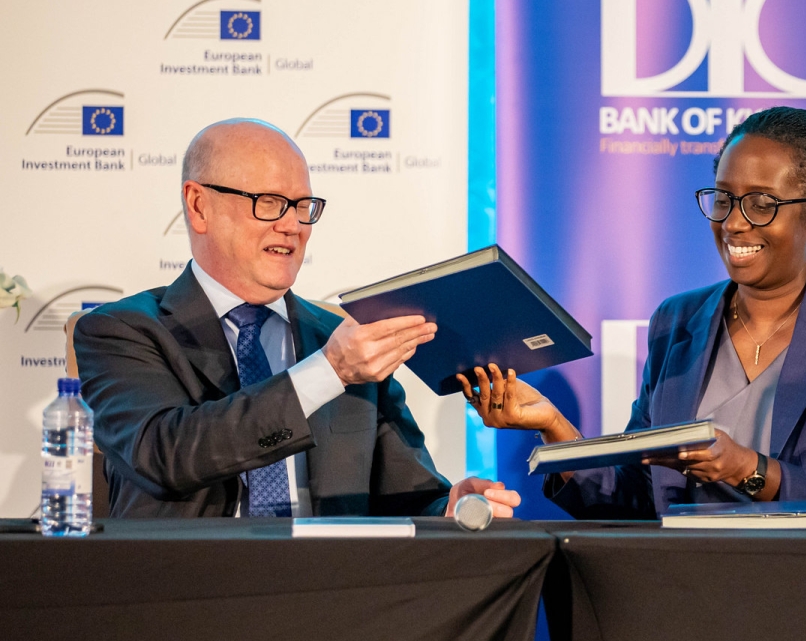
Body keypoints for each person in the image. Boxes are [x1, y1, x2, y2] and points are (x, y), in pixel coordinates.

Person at [459, 106, 806, 522]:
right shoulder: (680, 319)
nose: (733, 222)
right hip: (680, 578)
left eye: (762, 204)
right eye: (724, 199)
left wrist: (749, 470)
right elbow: (639, 496)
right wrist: (554, 427)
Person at [75, 118, 520, 518]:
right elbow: (163, 456)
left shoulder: (339, 338)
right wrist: (328, 372)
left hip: (329, 592)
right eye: (268, 202)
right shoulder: (122, 330)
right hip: (193, 593)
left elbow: (407, 497)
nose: (292, 226)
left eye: (302, 205)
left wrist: (450, 507)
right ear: (198, 205)